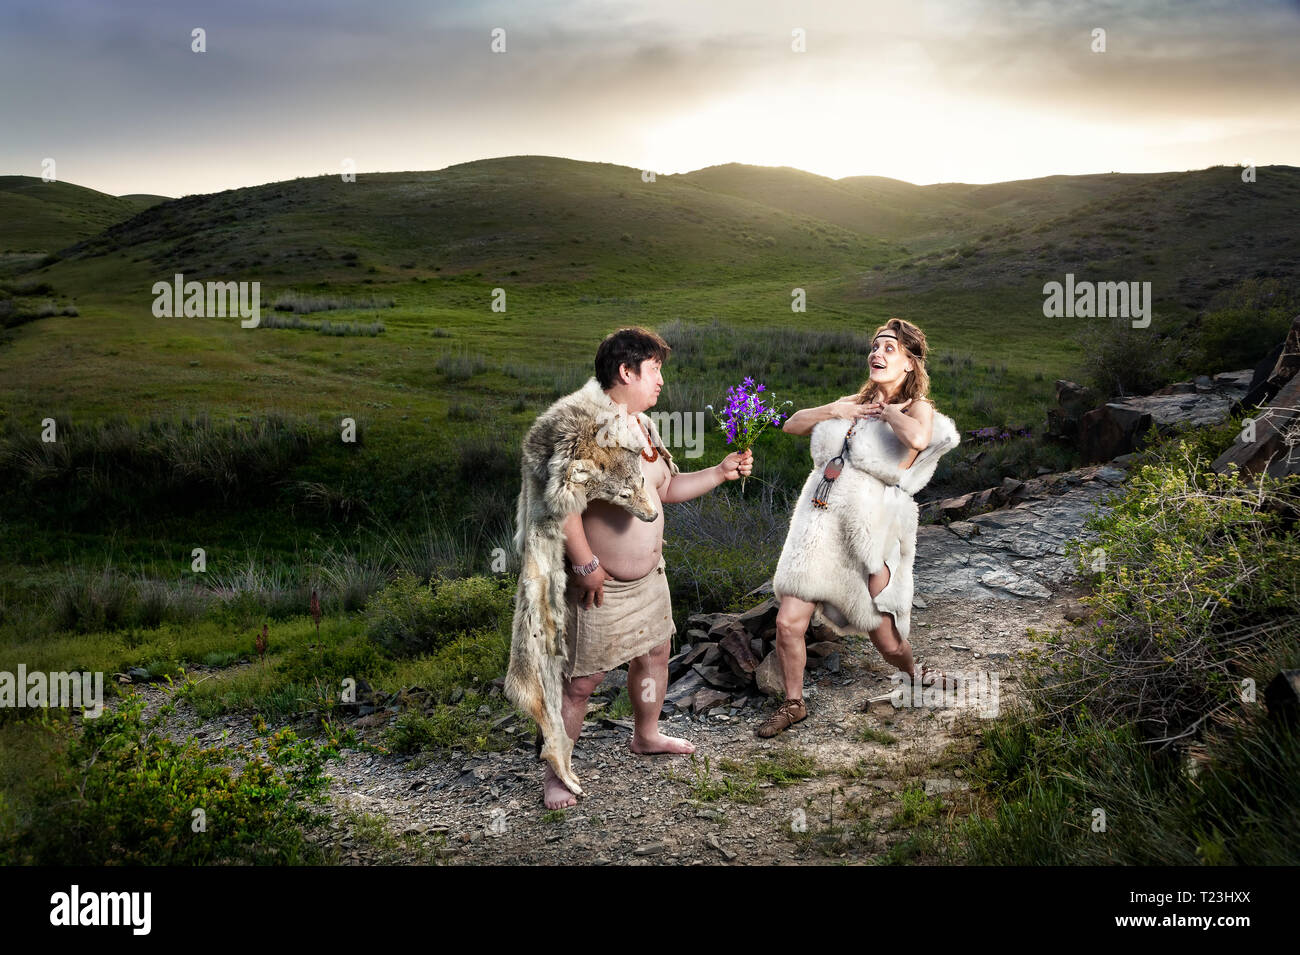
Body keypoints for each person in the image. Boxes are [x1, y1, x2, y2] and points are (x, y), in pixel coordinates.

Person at [544, 326, 753, 808]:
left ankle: (646, 735)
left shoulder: (643, 426)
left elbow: (664, 491)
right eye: (654, 369)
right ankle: (557, 774)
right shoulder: (590, 429)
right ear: (626, 371)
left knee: (656, 654)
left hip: (649, 581)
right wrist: (585, 565)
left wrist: (720, 472)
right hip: (602, 584)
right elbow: (565, 507)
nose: (661, 381)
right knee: (580, 682)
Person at [758, 317, 961, 738]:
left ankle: (914, 669)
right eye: (875, 346)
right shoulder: (851, 401)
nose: (877, 353)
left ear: (909, 363)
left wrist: (886, 410)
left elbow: (919, 439)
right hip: (817, 523)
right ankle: (794, 703)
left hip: (868, 529)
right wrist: (836, 409)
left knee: (886, 641)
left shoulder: (915, 407)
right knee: (787, 622)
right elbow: (791, 424)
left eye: (890, 348)